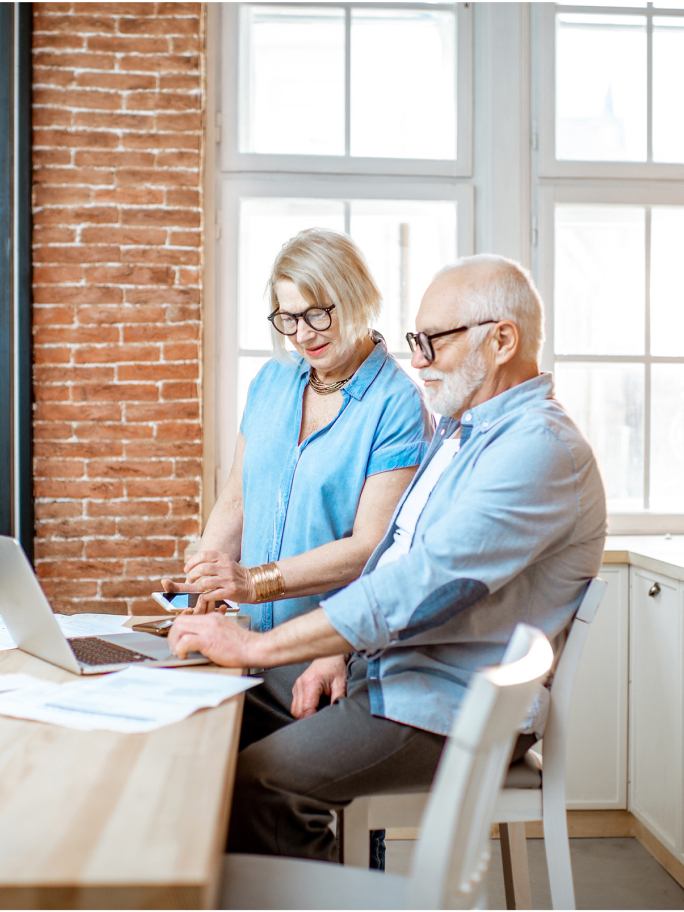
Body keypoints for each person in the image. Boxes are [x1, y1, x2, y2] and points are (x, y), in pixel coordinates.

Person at [168, 253, 608, 861]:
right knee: (203, 719)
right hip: (387, 673)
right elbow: (395, 559)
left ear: (501, 340)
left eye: (433, 342)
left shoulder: (538, 449)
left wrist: (257, 646)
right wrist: (334, 648)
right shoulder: (463, 433)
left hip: (442, 702)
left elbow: (422, 586)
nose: (419, 359)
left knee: (259, 783)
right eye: (415, 341)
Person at [163, 227, 429, 720]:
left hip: (321, 655)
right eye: (288, 318)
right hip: (243, 640)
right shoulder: (271, 381)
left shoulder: (397, 405)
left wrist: (252, 581)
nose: (302, 334)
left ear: (357, 297)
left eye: (317, 314)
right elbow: (238, 500)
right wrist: (205, 579)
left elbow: (370, 547)